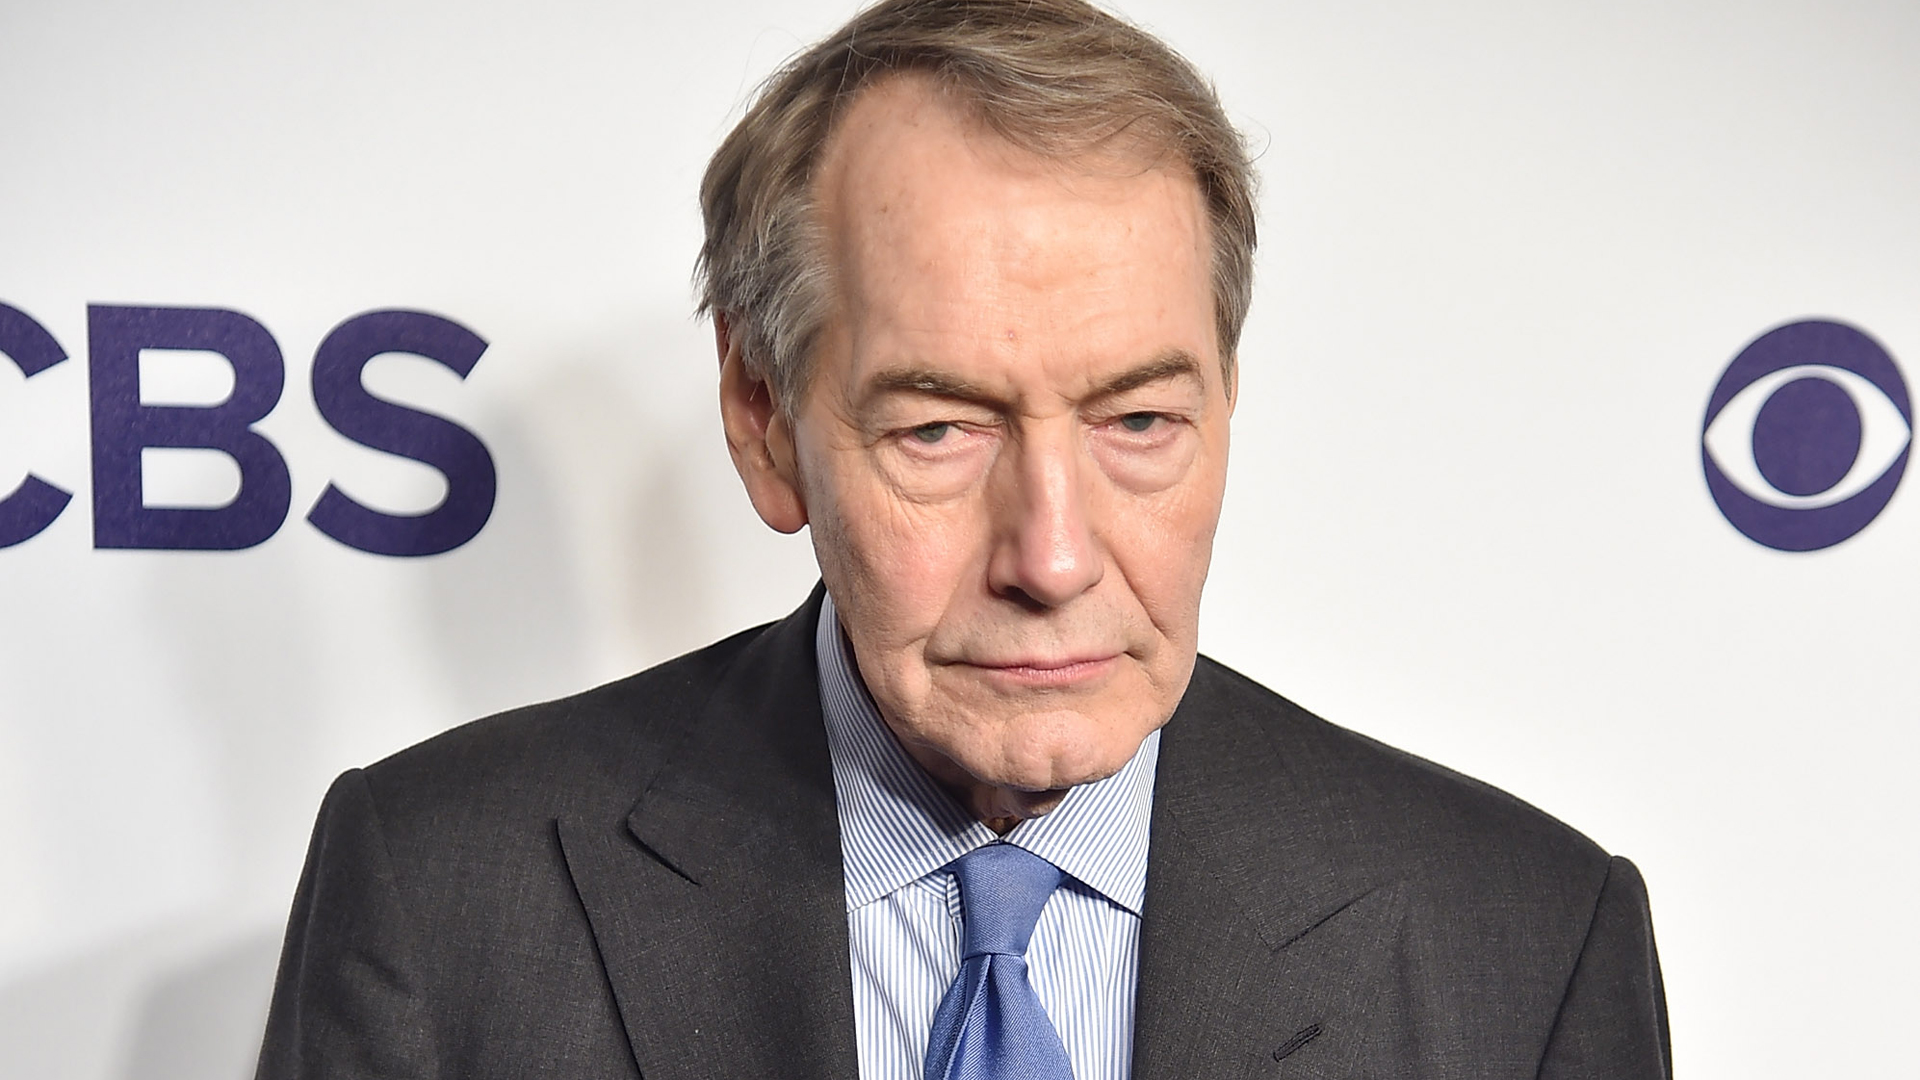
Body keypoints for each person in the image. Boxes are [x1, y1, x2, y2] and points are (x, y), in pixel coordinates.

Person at [255, 0, 1670, 1077]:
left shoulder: (1529, 943)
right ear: (763, 418)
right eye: (941, 431)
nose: (1051, 560)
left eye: (1139, 423)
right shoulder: (441, 896)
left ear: (1228, 401)